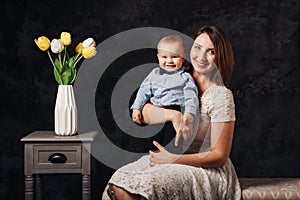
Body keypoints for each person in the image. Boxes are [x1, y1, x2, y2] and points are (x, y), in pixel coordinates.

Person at [102, 25, 241, 200]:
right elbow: (143, 114)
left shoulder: (221, 95)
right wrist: (172, 115)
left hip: (202, 167)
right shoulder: (175, 75)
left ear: (220, 56)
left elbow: (219, 156)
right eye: (198, 47)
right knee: (120, 182)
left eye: (211, 51)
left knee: (134, 190)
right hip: (166, 156)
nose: (202, 56)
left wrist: (173, 159)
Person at [131, 35, 199, 149]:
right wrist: (136, 108)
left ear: (183, 57)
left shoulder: (185, 77)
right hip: (158, 109)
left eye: (175, 56)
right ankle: (155, 157)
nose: (169, 61)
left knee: (173, 141)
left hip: (176, 108)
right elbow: (143, 91)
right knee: (153, 141)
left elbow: (191, 96)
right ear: (158, 57)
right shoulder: (154, 74)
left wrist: (189, 113)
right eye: (164, 57)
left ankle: (173, 157)